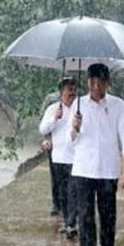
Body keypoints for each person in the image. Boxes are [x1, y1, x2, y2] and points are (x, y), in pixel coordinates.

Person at [68, 63, 124, 246]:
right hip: (83, 169)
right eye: (92, 82)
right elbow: (71, 139)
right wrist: (75, 126)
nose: (96, 87)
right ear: (87, 82)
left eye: (101, 82)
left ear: (107, 83)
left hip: (107, 168)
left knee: (108, 216)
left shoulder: (117, 105)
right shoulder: (78, 105)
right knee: (85, 218)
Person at [39, 77, 79, 237]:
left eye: (73, 89)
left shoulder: (80, 108)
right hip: (58, 157)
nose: (72, 93)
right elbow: (43, 129)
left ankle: (72, 223)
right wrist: (54, 118)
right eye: (69, 90)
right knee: (62, 192)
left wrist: (78, 125)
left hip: (76, 158)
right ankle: (67, 220)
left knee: (73, 191)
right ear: (61, 93)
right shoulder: (52, 109)